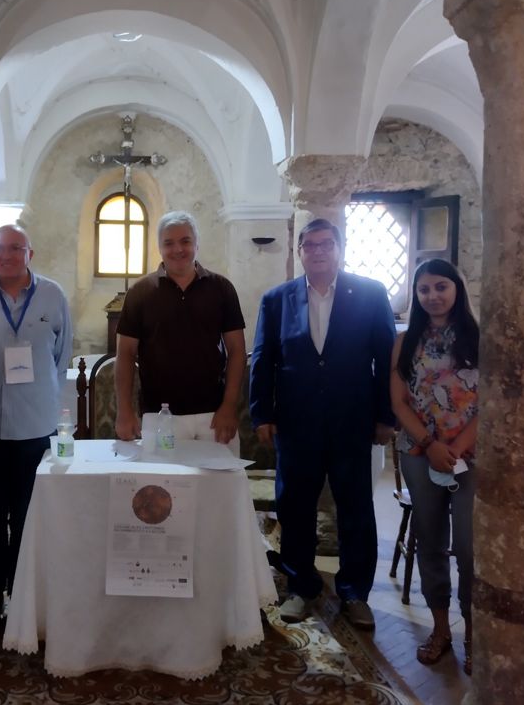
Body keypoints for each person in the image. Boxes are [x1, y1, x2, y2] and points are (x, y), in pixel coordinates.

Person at [250, 217, 395, 628]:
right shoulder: (277, 300)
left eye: (325, 244)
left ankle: (355, 592)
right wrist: (262, 413)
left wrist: (385, 416)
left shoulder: (370, 294)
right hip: (296, 423)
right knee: (295, 506)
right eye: (309, 245)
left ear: (339, 249)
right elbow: (263, 358)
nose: (317, 251)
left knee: (355, 508)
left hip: (353, 421)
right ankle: (301, 586)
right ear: (299, 252)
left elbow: (386, 360)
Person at [0, 224, 72, 632]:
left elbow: (61, 357)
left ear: (29, 253)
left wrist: (40, 396)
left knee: (27, 513)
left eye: (15, 248)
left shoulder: (53, 295)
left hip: (34, 424)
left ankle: (23, 595)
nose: (6, 255)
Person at [390, 258, 478, 674]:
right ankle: (440, 630)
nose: (432, 296)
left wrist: (456, 446)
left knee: (469, 547)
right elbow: (398, 402)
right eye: (424, 289)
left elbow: (493, 400)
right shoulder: (405, 341)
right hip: (419, 453)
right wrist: (429, 444)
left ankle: (475, 633)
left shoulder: (479, 338)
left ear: (456, 288)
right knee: (430, 542)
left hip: (469, 456)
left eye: (441, 286)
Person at [115, 210, 246, 453]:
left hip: (215, 415)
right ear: (159, 247)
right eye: (169, 243)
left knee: (222, 479)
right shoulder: (140, 292)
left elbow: (237, 350)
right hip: (160, 414)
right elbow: (125, 354)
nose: (178, 249)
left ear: (197, 244)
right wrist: (124, 410)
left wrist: (229, 406)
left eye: (185, 241)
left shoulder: (222, 288)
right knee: (162, 479)